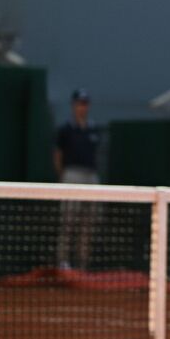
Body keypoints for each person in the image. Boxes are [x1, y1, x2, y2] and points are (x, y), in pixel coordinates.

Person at [54, 89, 101, 272]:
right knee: (68, 220)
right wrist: (62, 176)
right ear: (74, 105)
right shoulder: (65, 129)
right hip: (71, 175)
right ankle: (64, 263)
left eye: (85, 103)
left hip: (90, 176)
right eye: (80, 103)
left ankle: (82, 264)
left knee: (89, 223)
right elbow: (57, 155)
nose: (83, 107)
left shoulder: (93, 128)